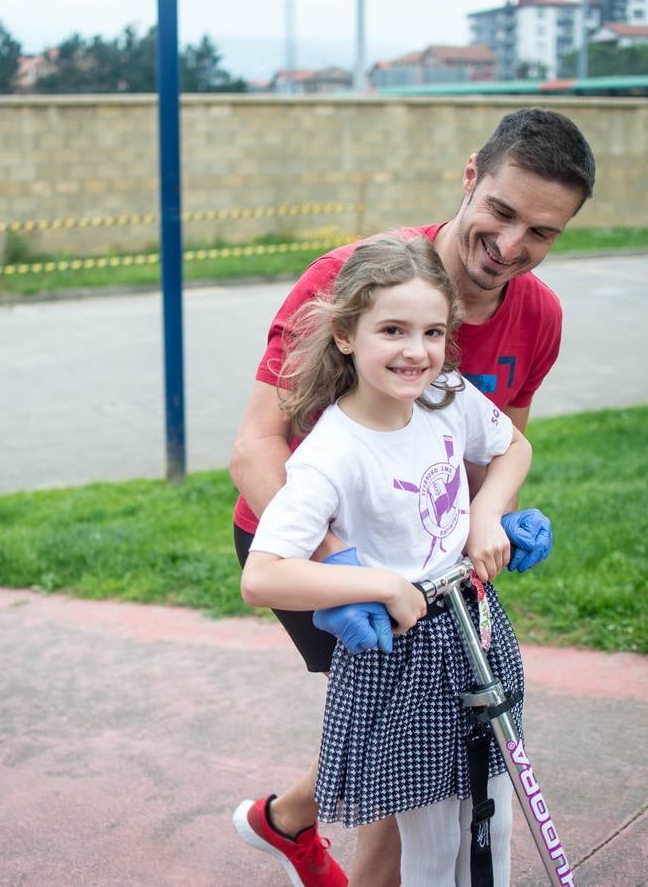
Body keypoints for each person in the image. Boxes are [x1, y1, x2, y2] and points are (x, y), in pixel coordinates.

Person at [229, 107, 595, 886]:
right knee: (413, 772)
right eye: (500, 212)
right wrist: (343, 565)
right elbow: (255, 447)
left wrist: (490, 521)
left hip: (421, 544)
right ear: (470, 178)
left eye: (542, 232)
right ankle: (301, 829)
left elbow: (489, 450)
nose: (511, 246)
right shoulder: (351, 281)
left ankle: (287, 819)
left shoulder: (538, 317)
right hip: (310, 532)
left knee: (422, 744)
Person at [236, 235, 532, 886]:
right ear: (345, 334)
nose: (416, 351)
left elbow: (514, 447)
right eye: (392, 330)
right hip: (407, 659)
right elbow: (262, 575)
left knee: (493, 817)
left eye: (432, 331)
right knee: (426, 842)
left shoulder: (449, 397)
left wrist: (489, 514)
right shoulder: (331, 453)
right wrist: (380, 585)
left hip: (476, 624)